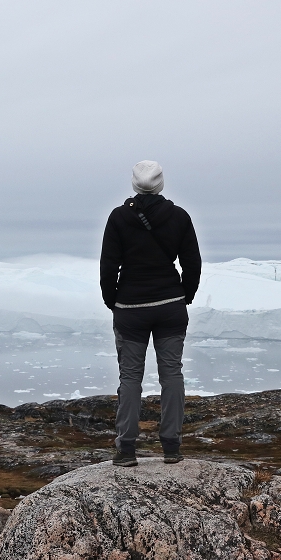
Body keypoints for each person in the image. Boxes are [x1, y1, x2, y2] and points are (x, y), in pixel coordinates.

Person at [99, 160, 201, 467]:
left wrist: (113, 301)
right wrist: (184, 296)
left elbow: (108, 266)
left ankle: (126, 449)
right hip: (170, 305)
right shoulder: (179, 216)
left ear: (134, 183)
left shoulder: (118, 217)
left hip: (130, 308)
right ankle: (171, 446)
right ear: (161, 183)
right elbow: (192, 263)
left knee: (130, 377)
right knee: (172, 374)